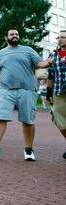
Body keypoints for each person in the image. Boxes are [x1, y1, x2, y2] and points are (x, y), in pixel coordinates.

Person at [0, 29, 53, 161]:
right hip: (6, 90)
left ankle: (29, 150)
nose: (15, 36)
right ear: (6, 37)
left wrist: (48, 62)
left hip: (26, 90)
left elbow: (39, 63)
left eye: (17, 34)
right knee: (1, 117)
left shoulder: (27, 50)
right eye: (12, 34)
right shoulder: (0, 53)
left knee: (28, 120)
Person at [46, 30, 66, 159]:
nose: (60, 39)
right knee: (60, 121)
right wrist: (48, 93)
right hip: (59, 92)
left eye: (63, 37)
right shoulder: (53, 55)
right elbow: (50, 74)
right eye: (58, 37)